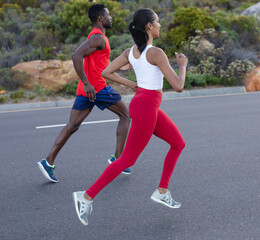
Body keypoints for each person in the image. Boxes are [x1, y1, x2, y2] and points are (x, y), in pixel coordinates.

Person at [72, 8, 188, 226]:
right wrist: (182, 66)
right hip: (146, 107)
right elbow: (179, 86)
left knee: (178, 143)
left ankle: (162, 190)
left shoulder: (130, 52)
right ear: (149, 27)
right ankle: (85, 197)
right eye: (158, 22)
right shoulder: (156, 53)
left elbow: (105, 72)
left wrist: (132, 84)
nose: (160, 25)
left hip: (146, 105)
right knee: (127, 159)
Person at [37, 4, 135, 183]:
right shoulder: (98, 37)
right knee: (125, 116)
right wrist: (87, 83)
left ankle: (48, 161)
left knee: (72, 126)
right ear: (100, 18)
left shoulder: (99, 38)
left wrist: (119, 66)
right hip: (97, 88)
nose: (111, 17)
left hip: (87, 91)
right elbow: (76, 56)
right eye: (108, 15)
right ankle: (118, 159)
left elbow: (98, 64)